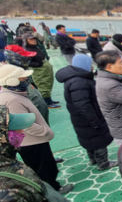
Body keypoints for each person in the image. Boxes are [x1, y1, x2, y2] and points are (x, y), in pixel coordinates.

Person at [0, 64, 72, 194]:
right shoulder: (12, 100)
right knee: (43, 168)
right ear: (11, 81)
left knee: (45, 165)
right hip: (32, 141)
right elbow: (25, 125)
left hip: (34, 140)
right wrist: (45, 132)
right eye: (22, 79)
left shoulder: (13, 94)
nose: (26, 81)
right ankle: (53, 191)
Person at [55, 54, 116, 170]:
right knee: (99, 140)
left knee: (88, 139)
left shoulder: (74, 79)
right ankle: (103, 163)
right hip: (89, 118)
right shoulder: (79, 82)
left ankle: (92, 159)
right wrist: (95, 121)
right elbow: (83, 105)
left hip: (80, 118)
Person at [22, 33, 60, 108]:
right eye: (31, 39)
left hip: (45, 70)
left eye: (34, 39)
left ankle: (49, 99)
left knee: (48, 84)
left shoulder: (35, 47)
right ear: (26, 41)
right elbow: (27, 62)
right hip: (39, 71)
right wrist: (38, 64)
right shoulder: (27, 50)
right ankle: (47, 102)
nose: (33, 41)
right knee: (43, 85)